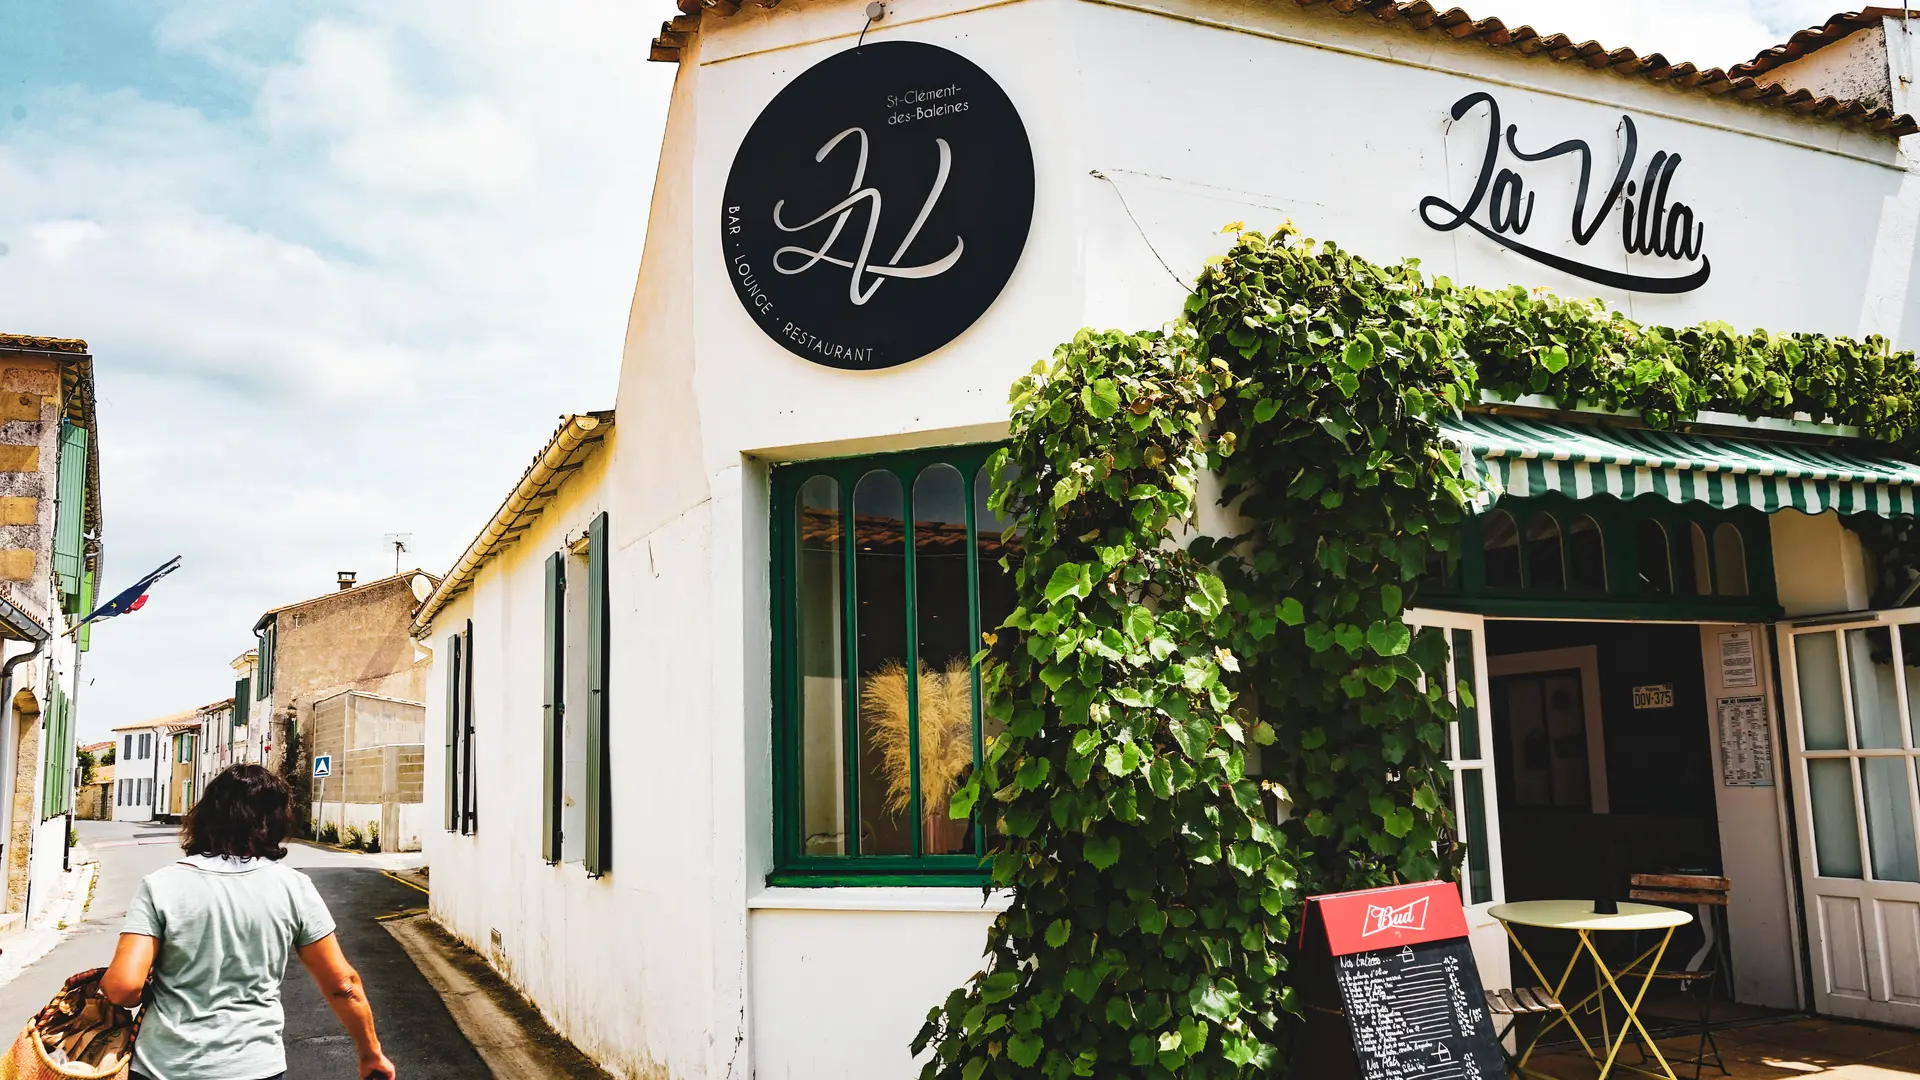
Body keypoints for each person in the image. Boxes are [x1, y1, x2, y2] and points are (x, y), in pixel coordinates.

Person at [101, 764, 396, 1080]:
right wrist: (371, 1053)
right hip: (254, 1067)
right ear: (275, 821)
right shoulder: (293, 887)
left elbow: (123, 988)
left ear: (205, 815)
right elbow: (343, 985)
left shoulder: (161, 885)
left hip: (163, 1067)